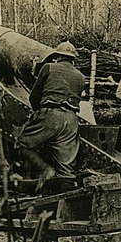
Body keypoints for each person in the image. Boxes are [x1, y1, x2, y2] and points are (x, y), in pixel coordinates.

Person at [16, 41, 85, 190]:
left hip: (51, 114)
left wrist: (39, 114)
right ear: (72, 59)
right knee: (66, 170)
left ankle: (46, 170)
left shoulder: (48, 68)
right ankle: (65, 198)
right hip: (72, 120)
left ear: (57, 56)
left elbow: (34, 96)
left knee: (23, 143)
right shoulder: (80, 77)